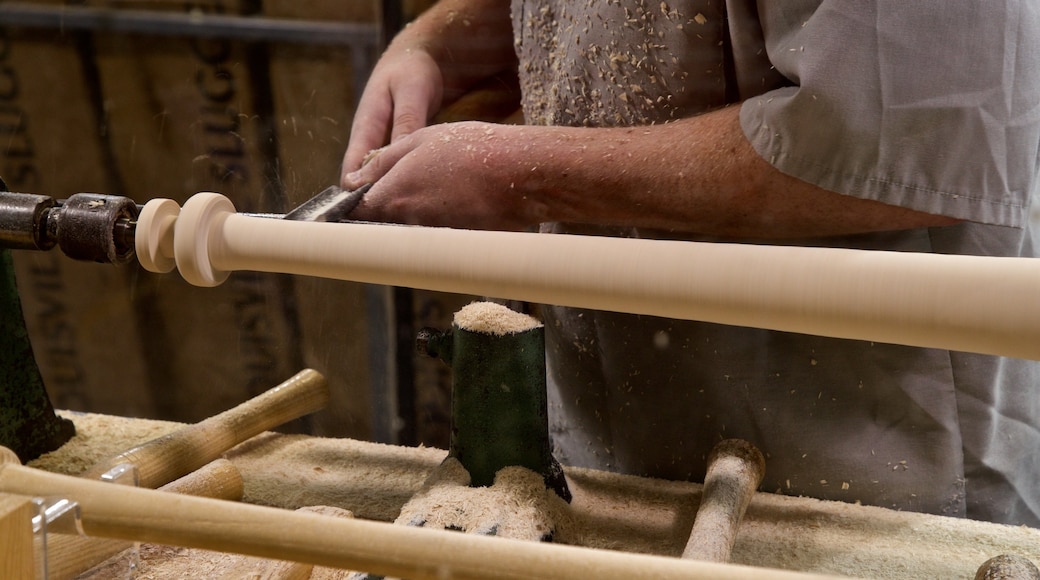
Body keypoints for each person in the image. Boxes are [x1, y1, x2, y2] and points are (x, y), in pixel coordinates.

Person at [340, 0, 1040, 526]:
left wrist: (522, 174)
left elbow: (910, 136)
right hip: (615, 445)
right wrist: (439, 41)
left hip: (858, 468)